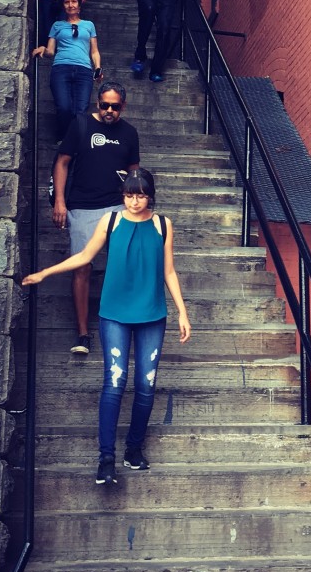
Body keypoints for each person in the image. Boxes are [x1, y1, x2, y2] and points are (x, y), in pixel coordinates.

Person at [22, 167, 191, 484]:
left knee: (146, 383)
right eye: (129, 195)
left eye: (140, 196)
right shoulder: (110, 221)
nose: (134, 202)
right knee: (115, 381)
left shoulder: (163, 225)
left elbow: (169, 271)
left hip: (152, 314)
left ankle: (133, 450)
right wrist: (46, 272)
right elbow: (84, 256)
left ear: (150, 196)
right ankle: (106, 460)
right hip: (114, 313)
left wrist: (182, 312)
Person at [49, 82, 141, 354]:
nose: (109, 110)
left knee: (125, 264)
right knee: (82, 267)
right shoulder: (81, 124)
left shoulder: (130, 133)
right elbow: (62, 163)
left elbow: (134, 173)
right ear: (97, 102)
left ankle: (124, 323)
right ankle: (82, 334)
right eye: (104, 105)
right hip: (82, 206)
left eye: (115, 106)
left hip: (118, 206)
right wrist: (60, 201)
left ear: (123, 106)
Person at [31, 0, 101, 139]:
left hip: (84, 71)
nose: (70, 5)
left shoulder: (89, 25)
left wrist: (98, 68)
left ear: (79, 4)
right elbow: (51, 51)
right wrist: (43, 49)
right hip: (61, 69)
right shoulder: (57, 25)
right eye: (67, 2)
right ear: (63, 5)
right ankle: (63, 138)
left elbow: (94, 51)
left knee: (81, 110)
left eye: (73, 1)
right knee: (64, 108)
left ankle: (75, 142)